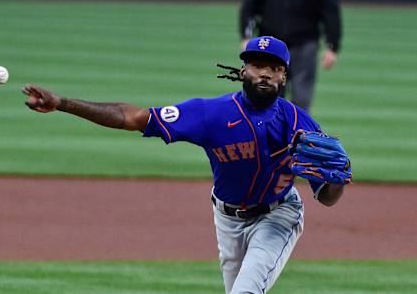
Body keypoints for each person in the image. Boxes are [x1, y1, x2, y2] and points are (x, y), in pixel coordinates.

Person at [22, 36, 351, 293]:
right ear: (242, 71)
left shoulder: (299, 123)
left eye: (275, 67)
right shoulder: (212, 114)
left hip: (279, 216)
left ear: (284, 77)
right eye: (257, 64)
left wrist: (335, 180)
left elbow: (326, 197)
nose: (265, 72)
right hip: (228, 220)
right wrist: (63, 103)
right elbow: (133, 117)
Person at [239, 0, 342, 113]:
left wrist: (332, 45)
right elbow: (250, 4)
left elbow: (330, 10)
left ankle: (297, 133)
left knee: (302, 100)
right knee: (268, 98)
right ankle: (269, 134)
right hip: (271, 49)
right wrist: (246, 35)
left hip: (304, 44)